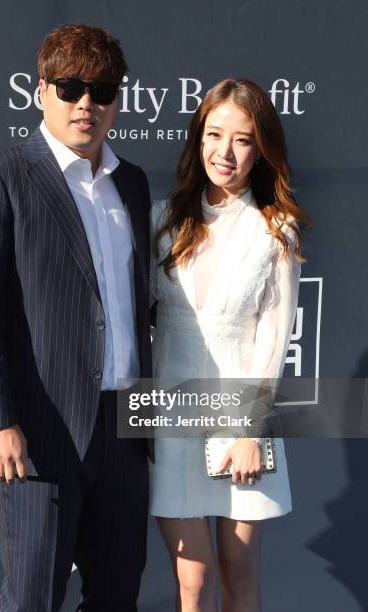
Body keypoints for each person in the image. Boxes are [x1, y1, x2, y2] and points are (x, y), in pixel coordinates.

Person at [0, 24, 153, 612]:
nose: (86, 103)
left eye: (102, 89)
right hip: (39, 431)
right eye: (69, 87)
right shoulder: (0, 178)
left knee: (118, 596)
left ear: (117, 98)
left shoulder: (131, 185)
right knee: (34, 597)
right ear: (42, 91)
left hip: (125, 429)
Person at [149, 78, 307, 611]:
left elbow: (273, 341)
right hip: (170, 420)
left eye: (242, 140)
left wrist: (248, 431)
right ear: (197, 138)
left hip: (242, 424)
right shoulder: (162, 221)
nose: (226, 152)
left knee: (238, 580)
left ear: (260, 148)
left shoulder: (274, 230)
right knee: (191, 584)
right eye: (214, 134)